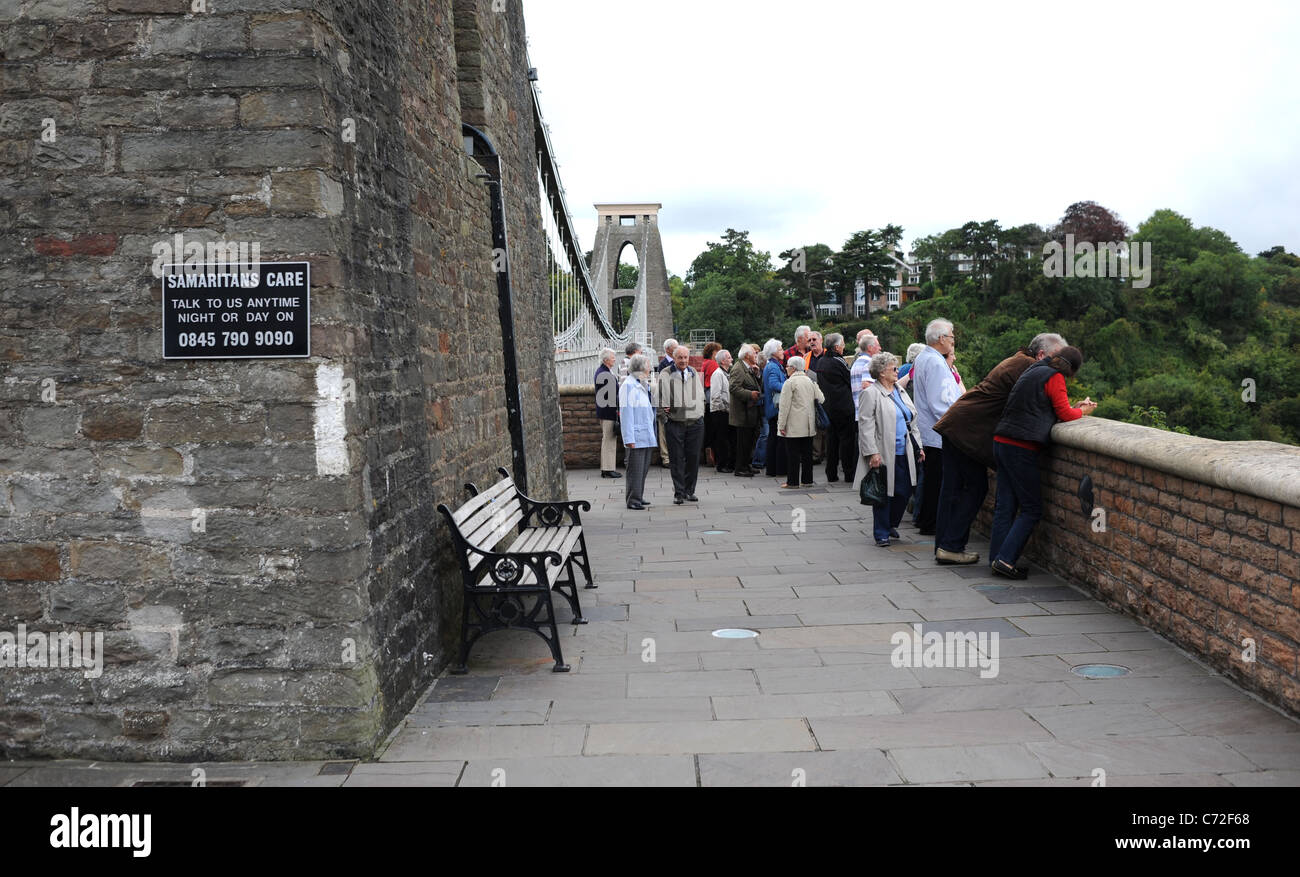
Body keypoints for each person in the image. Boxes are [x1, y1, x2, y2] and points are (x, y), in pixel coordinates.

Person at [932, 333, 1068, 565]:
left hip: (959, 425)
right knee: (974, 487)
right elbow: (1037, 404)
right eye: (1057, 359)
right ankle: (950, 545)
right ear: (1042, 355)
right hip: (967, 430)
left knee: (954, 490)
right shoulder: (1028, 366)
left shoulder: (1020, 361)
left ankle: (946, 546)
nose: (1059, 366)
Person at [988, 346, 1096, 578]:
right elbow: (1065, 415)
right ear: (1072, 369)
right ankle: (1006, 560)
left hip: (1001, 440)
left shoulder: (1034, 369)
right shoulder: (1054, 377)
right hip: (1021, 447)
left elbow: (1049, 407)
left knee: (1005, 505)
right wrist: (1083, 412)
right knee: (1031, 509)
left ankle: (996, 558)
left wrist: (1074, 406)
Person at [853, 352, 924, 547]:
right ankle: (881, 532)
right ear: (882, 372)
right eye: (893, 368)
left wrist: (919, 446)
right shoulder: (871, 393)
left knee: (904, 491)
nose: (897, 371)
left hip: (906, 450)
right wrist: (872, 453)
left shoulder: (900, 391)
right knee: (883, 493)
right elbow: (865, 426)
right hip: (883, 452)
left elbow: (912, 420)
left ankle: (891, 523)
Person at [910, 319, 961, 536]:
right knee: (937, 482)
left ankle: (926, 519)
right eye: (951, 337)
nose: (953, 341)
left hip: (931, 430)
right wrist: (957, 423)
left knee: (932, 479)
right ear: (941, 339)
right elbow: (940, 401)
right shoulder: (935, 362)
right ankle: (930, 522)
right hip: (939, 431)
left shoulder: (925, 358)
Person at [660, 343, 706, 504]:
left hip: (695, 422)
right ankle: (679, 493)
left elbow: (699, 394)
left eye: (686, 357)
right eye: (680, 357)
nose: (683, 360)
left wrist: (701, 411)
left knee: (693, 458)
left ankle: (689, 491)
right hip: (676, 422)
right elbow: (662, 396)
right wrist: (667, 412)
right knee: (677, 459)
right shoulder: (665, 373)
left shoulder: (693, 371)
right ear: (674, 358)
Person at [777, 356, 825, 488]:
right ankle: (807, 480)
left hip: (793, 424)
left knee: (793, 454)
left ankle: (792, 482)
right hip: (809, 424)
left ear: (793, 368)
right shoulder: (809, 381)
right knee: (807, 454)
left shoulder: (789, 383)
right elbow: (821, 399)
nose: (786, 368)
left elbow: (784, 407)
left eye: (787, 366)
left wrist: (781, 425)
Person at [814, 332, 856, 483]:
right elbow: (849, 380)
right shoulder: (839, 361)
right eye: (843, 344)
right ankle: (849, 472)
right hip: (844, 407)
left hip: (828, 407)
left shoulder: (821, 362)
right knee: (847, 441)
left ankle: (831, 473)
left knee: (832, 441)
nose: (844, 347)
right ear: (837, 346)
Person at [619, 354, 657, 511]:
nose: (650, 369)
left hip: (645, 434)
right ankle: (633, 500)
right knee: (635, 469)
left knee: (643, 468)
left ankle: (638, 495)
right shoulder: (627, 386)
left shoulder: (640, 384)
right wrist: (629, 438)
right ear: (641, 368)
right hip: (636, 436)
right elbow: (626, 415)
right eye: (648, 366)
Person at [729, 343, 763, 477]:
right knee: (743, 442)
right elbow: (733, 388)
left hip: (750, 412)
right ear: (747, 355)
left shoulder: (748, 367)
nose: (756, 356)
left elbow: (753, 384)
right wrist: (750, 394)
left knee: (749, 441)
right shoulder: (738, 368)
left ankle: (746, 465)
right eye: (754, 353)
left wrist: (757, 375)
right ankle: (740, 468)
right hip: (742, 412)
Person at [761, 339, 788, 480]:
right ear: (773, 352)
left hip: (772, 407)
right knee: (777, 439)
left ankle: (773, 468)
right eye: (780, 349)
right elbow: (773, 385)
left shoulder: (772, 365)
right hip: (775, 407)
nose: (783, 351)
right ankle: (778, 468)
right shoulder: (773, 367)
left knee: (774, 438)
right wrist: (789, 384)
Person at [594, 347, 622, 479]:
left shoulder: (604, 371)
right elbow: (610, 395)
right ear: (606, 360)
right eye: (612, 358)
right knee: (609, 440)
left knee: (609, 440)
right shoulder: (603, 373)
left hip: (606, 411)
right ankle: (608, 469)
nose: (614, 359)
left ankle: (607, 468)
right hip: (608, 412)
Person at [708, 348, 734, 472]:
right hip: (720, 411)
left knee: (725, 438)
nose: (731, 359)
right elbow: (715, 395)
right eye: (729, 357)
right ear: (723, 361)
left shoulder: (726, 373)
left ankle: (726, 462)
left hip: (726, 410)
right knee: (721, 438)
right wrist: (723, 408)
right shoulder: (718, 374)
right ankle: (721, 464)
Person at [700, 341, 722, 466]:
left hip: (706, 398)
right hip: (712, 397)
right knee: (715, 429)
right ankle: (712, 455)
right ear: (713, 353)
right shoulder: (713, 364)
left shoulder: (705, 363)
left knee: (708, 428)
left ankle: (708, 453)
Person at [851, 332, 881, 418]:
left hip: (860, 411)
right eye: (878, 345)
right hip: (870, 412)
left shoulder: (857, 362)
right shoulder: (869, 362)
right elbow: (866, 385)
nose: (880, 348)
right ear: (870, 348)